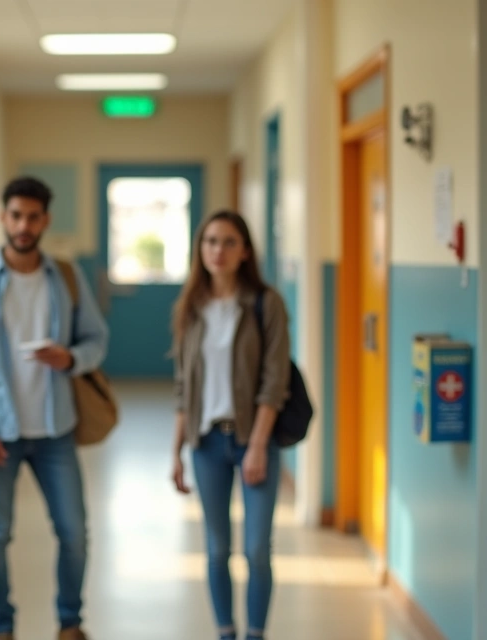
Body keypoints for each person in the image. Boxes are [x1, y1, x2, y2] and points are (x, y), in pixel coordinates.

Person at [0, 176, 109, 640]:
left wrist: (71, 358)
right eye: (16, 215)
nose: (24, 225)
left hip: (56, 430)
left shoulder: (67, 278)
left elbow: (97, 339)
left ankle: (70, 623)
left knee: (74, 534)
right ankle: (2, 628)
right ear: (3, 218)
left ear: (46, 220)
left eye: (33, 216)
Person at [169, 211, 290, 640]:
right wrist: (177, 451)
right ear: (200, 250)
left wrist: (257, 446)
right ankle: (225, 631)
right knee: (217, 549)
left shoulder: (265, 303)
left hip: (253, 439)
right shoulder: (191, 307)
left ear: (245, 251)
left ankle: (255, 633)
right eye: (210, 241)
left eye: (228, 242)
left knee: (257, 550)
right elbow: (184, 385)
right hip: (205, 444)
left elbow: (275, 381)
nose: (218, 250)